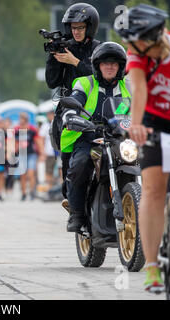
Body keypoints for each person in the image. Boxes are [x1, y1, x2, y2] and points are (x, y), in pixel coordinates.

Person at [115, 4, 170, 293]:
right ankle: (152, 265)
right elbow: (139, 91)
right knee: (152, 189)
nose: (129, 46)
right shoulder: (137, 58)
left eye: (133, 40)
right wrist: (135, 126)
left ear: (150, 37)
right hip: (154, 121)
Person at [60, 42, 131, 232]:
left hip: (119, 138)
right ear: (97, 66)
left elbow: (143, 106)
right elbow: (74, 100)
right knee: (81, 163)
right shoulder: (85, 83)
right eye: (105, 63)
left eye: (114, 63)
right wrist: (70, 115)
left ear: (120, 67)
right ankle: (77, 213)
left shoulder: (128, 87)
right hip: (88, 136)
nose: (110, 67)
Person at [45, 2, 101, 211]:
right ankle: (73, 202)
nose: (76, 32)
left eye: (80, 28)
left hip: (97, 109)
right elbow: (52, 82)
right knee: (68, 162)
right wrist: (53, 58)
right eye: (73, 28)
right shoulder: (65, 46)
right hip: (69, 108)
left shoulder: (99, 48)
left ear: (90, 27)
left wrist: (74, 61)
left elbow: (99, 77)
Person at [14, 113, 44, 201]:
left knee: (31, 174)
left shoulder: (32, 129)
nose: (21, 120)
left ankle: (32, 192)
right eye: (20, 119)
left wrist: (42, 153)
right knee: (22, 175)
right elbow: (14, 142)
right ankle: (23, 193)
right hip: (21, 154)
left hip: (31, 154)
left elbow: (38, 141)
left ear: (26, 119)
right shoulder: (17, 129)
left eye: (22, 119)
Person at [38, 108, 57, 193]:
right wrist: (42, 152)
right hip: (49, 152)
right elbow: (41, 139)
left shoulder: (58, 124)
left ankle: (59, 190)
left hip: (58, 152)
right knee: (49, 172)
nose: (50, 117)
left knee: (60, 170)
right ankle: (49, 189)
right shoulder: (45, 126)